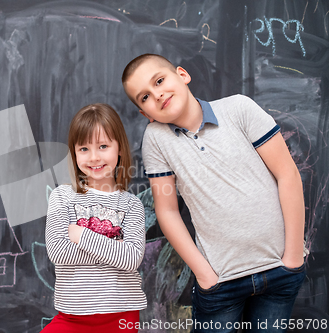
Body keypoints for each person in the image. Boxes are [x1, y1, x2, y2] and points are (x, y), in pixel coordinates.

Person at [122, 54, 307, 332]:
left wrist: (293, 256)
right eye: (145, 97)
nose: (157, 94)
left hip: (279, 269)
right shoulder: (156, 140)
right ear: (145, 114)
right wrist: (204, 274)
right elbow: (167, 210)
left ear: (182, 75)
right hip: (221, 282)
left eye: (160, 81)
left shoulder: (239, 109)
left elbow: (287, 174)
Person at [43, 103, 147, 333]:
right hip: (72, 317)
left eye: (102, 146)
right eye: (84, 149)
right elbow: (58, 252)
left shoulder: (131, 205)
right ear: (73, 152)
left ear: (119, 148)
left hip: (121, 315)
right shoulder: (61, 197)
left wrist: (80, 235)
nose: (94, 157)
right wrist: (113, 248)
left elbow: (131, 259)